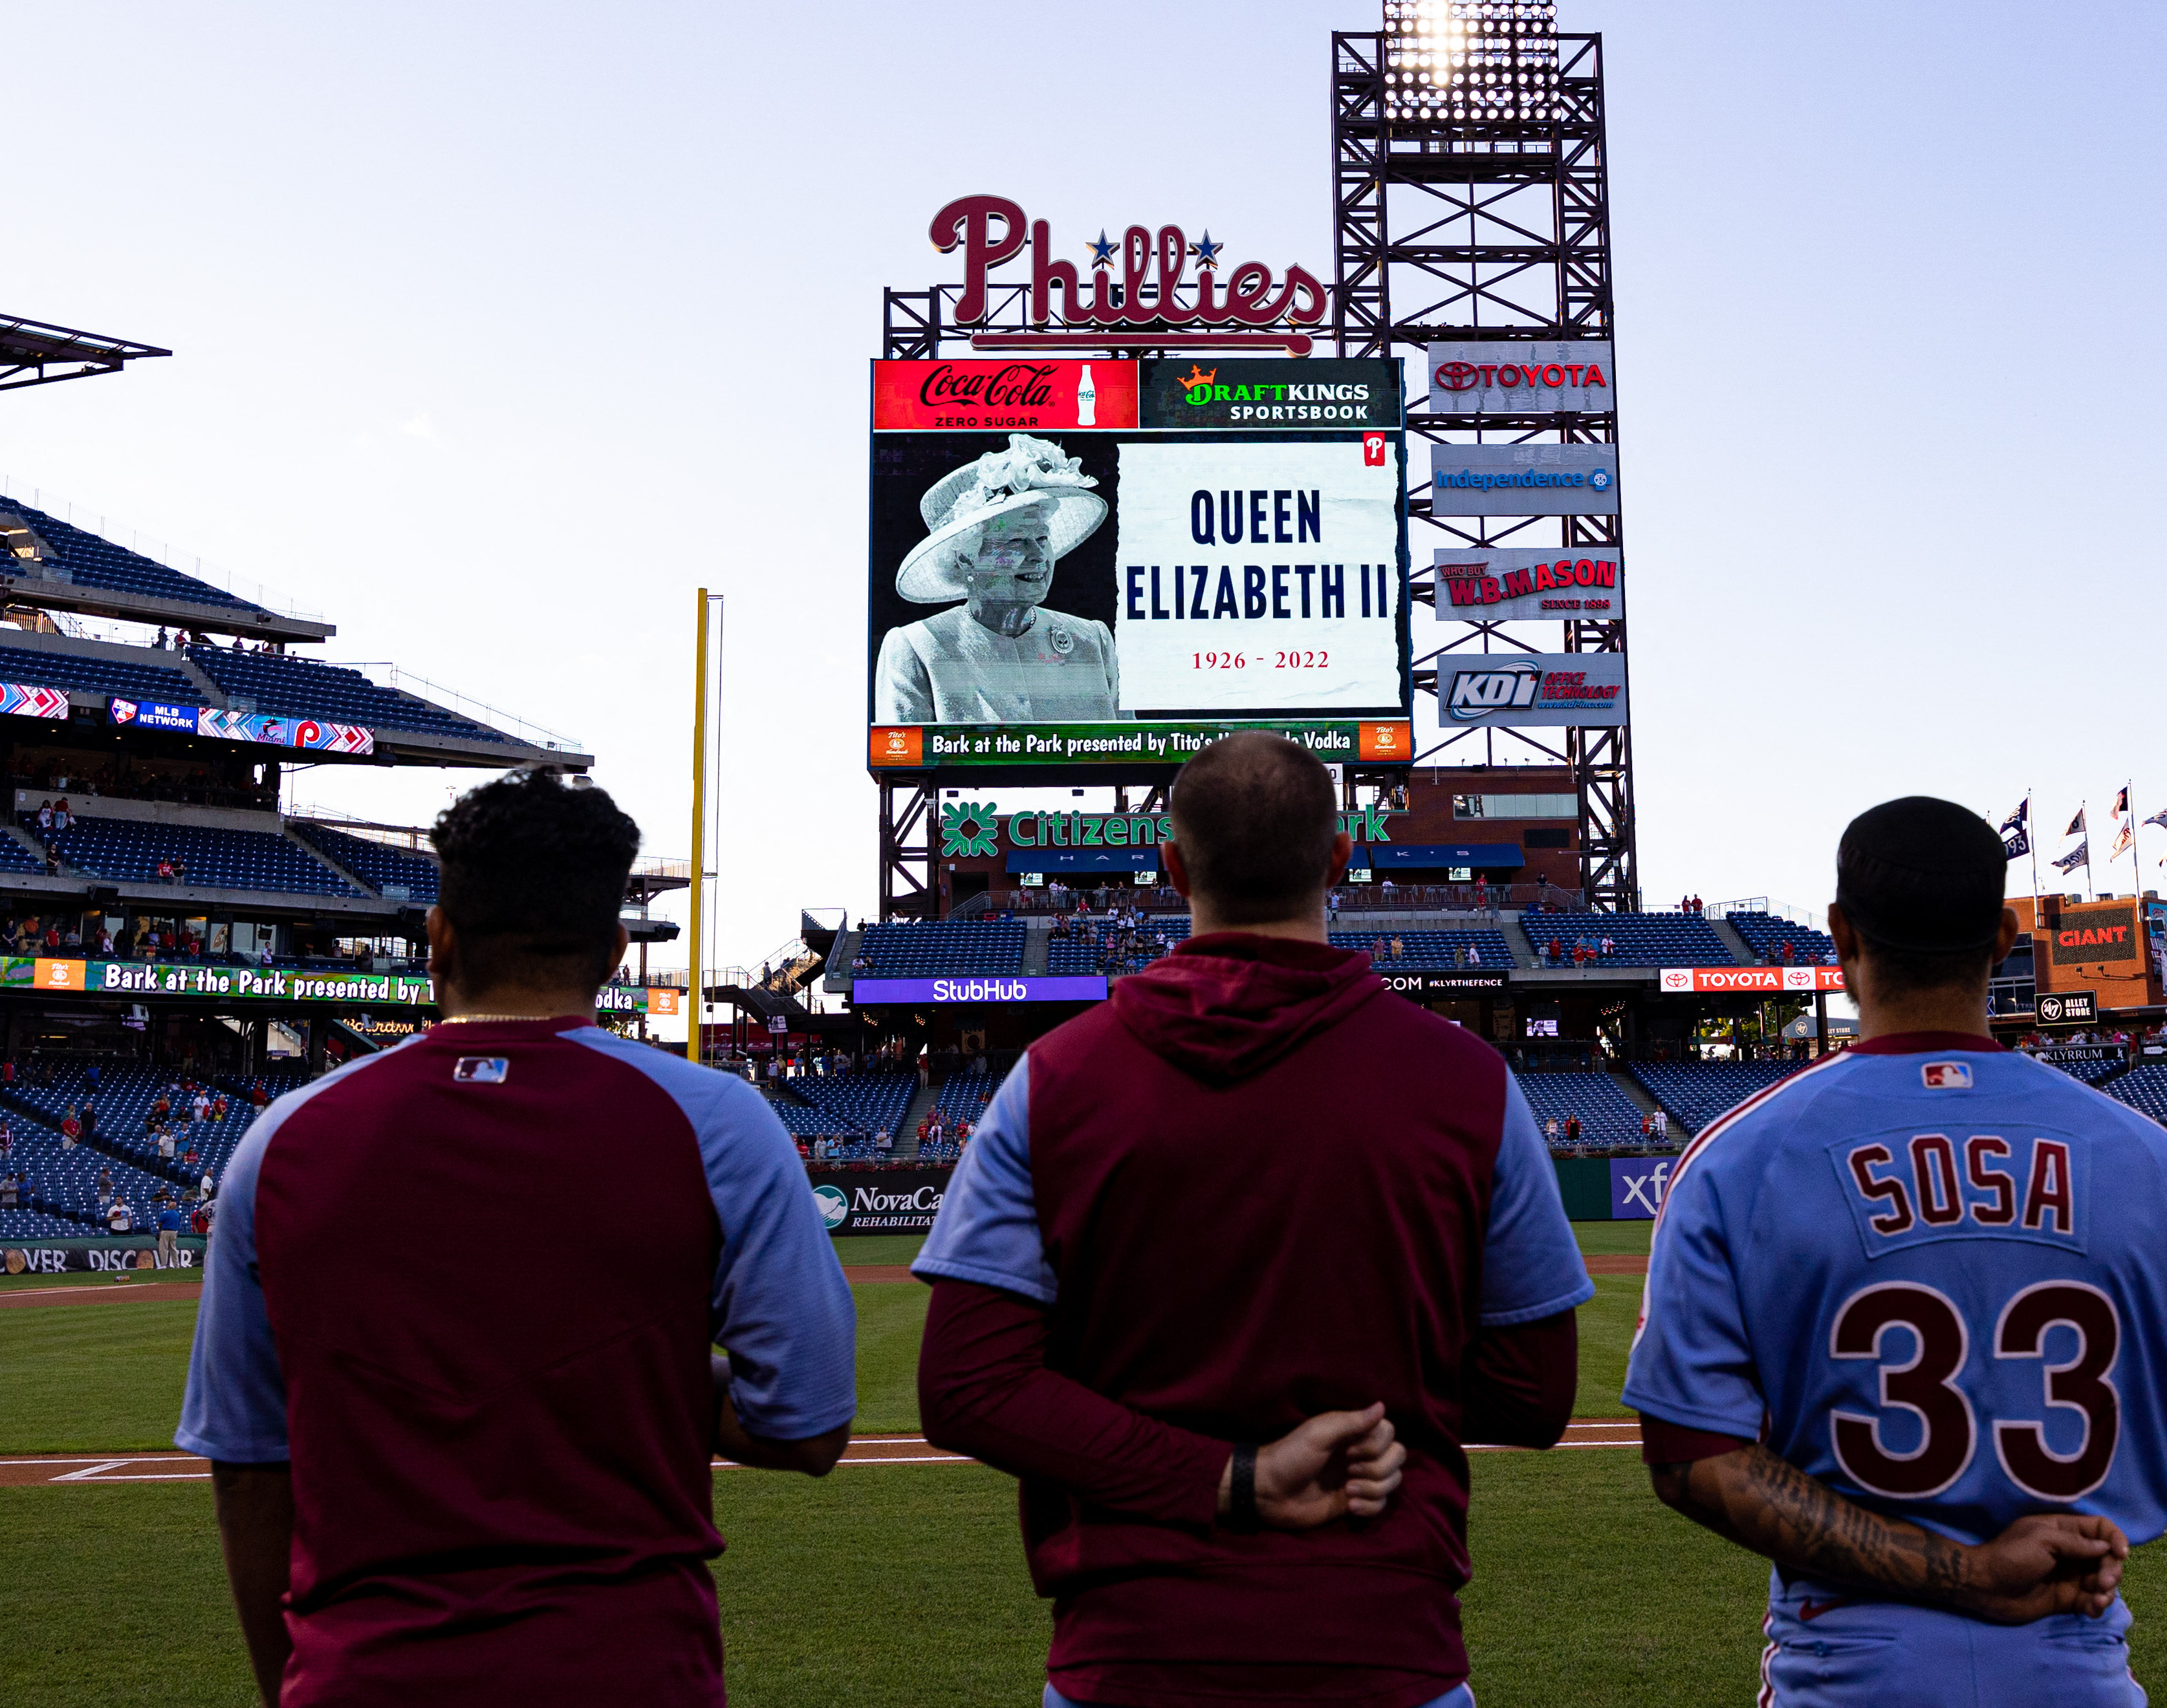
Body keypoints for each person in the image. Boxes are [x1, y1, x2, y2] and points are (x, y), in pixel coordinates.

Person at [913, 732, 1590, 1708]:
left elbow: (968, 1386)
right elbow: (1532, 1396)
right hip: (1386, 1644)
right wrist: (1362, 1395)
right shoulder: (1466, 1079)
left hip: (1131, 1653)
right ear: (1340, 862)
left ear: (1172, 866)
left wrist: (1229, 1475)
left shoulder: (1055, 1077)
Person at [177, 768, 858, 1707]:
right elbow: (810, 1423)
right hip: (630, 1674)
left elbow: (249, 1470)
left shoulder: (282, 1140)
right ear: (617, 950)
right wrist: (637, 1368)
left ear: (439, 938)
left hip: (363, 1677)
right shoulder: (716, 1122)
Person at [1624, 797, 2167, 1706]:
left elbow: (1691, 1459)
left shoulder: (1741, 1157)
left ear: (1842, 936)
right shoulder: (2147, 1158)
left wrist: (1967, 1572)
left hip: (1848, 1671)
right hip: (2076, 1663)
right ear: (2005, 938)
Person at [873, 434, 1126, 723]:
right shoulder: (918, 647)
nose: (1038, 556)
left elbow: (1130, 758)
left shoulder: (1092, 641)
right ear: (966, 557)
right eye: (1016, 541)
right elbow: (902, 763)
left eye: (1042, 538)